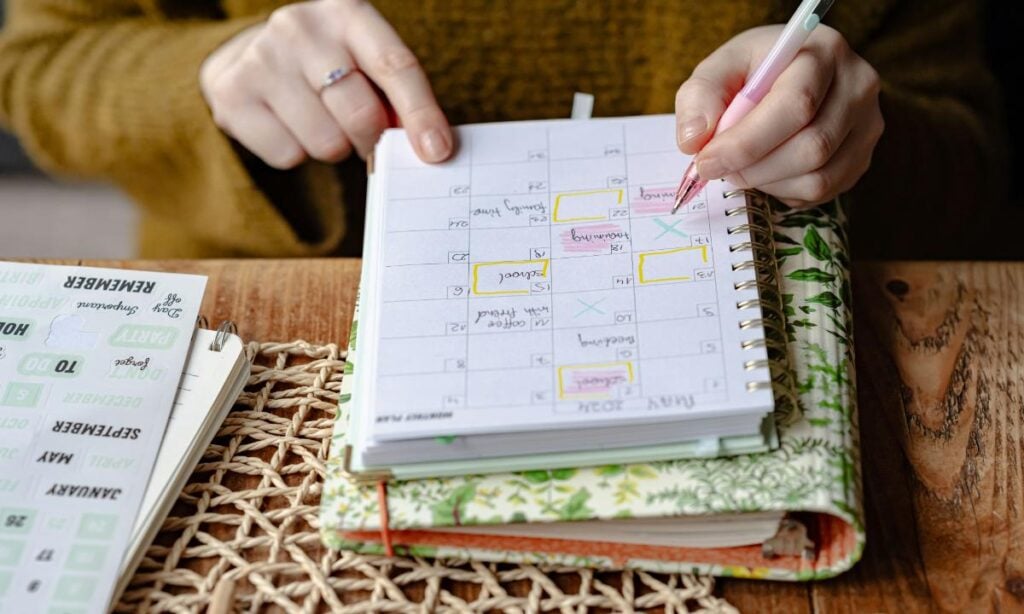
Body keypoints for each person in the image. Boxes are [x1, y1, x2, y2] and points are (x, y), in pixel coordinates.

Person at [0, 0, 1005, 259]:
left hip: (766, 339)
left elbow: (970, 159)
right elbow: (41, 67)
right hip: (278, 356)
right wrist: (212, 79)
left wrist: (859, 137)